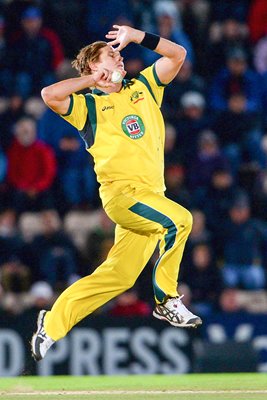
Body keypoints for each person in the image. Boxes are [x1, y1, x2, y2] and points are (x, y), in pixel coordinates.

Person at [31, 24, 202, 362]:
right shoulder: (88, 106)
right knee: (180, 220)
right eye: (111, 54)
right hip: (123, 196)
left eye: (119, 52)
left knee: (118, 276)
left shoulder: (145, 87)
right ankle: (167, 300)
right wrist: (91, 82)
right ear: (94, 67)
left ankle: (51, 324)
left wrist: (137, 36)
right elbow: (49, 95)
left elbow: (178, 54)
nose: (119, 56)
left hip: (149, 198)